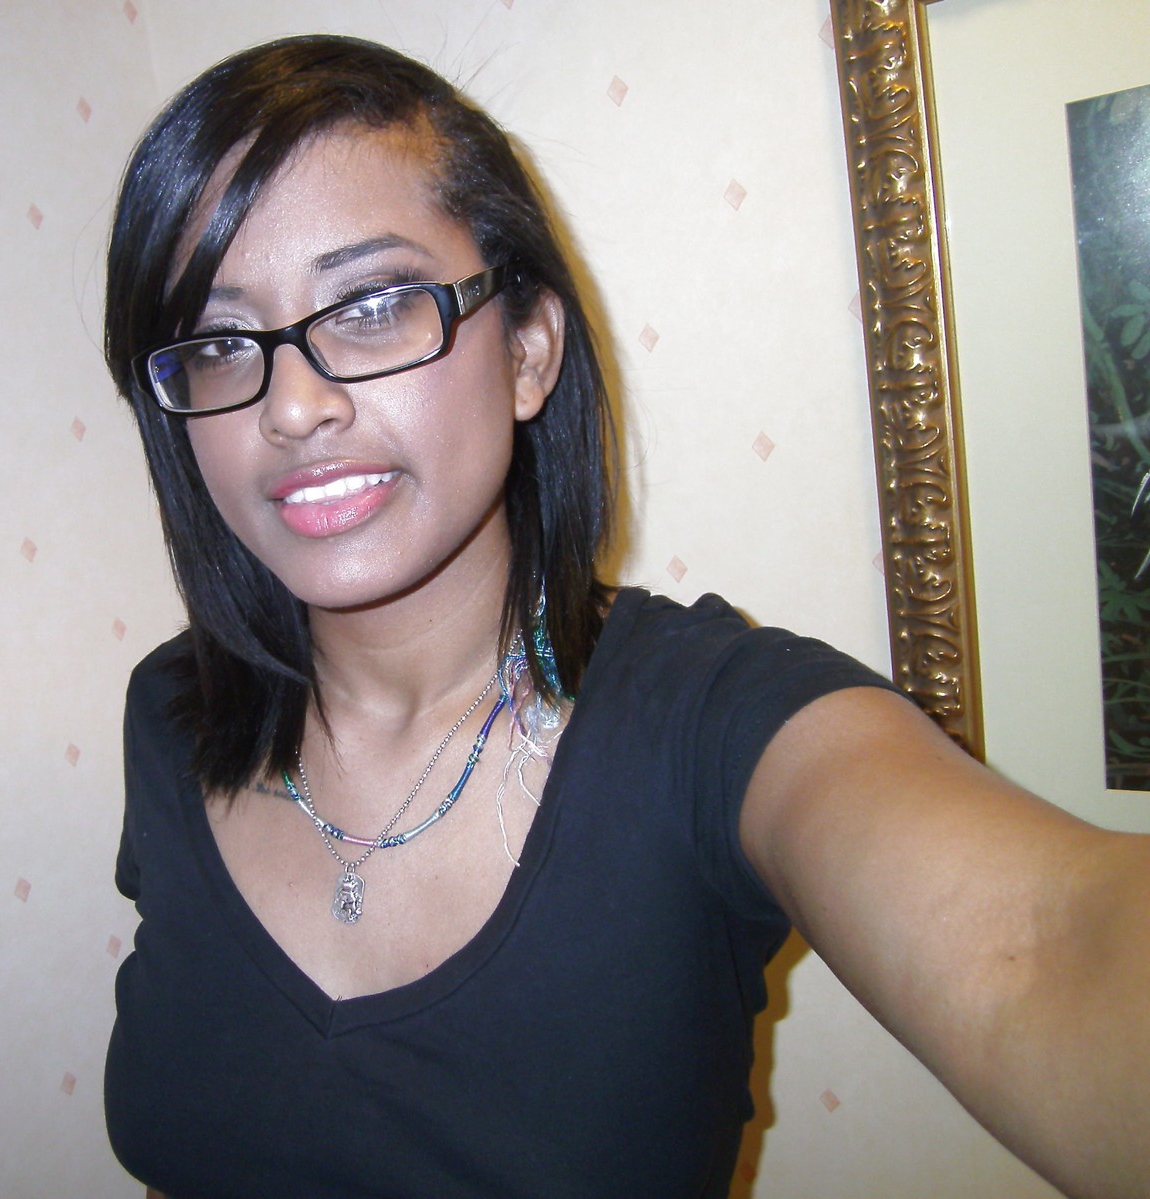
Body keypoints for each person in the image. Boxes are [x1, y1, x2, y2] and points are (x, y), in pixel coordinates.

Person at [99, 34, 1150, 1199]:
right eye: (218, 343)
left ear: (528, 350)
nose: (293, 406)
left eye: (377, 305)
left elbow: (1044, 950)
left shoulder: (711, 725)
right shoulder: (172, 714)